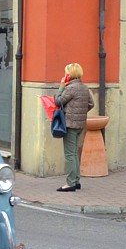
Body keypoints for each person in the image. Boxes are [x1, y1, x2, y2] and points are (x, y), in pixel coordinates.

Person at [54, 63, 94, 192]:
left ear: (69, 75)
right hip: (80, 124)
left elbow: (58, 101)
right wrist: (81, 112)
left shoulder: (70, 88)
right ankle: (76, 181)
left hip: (70, 124)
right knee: (75, 153)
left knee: (70, 154)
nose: (64, 75)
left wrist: (61, 87)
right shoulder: (84, 87)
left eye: (66, 72)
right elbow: (91, 104)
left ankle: (70, 183)